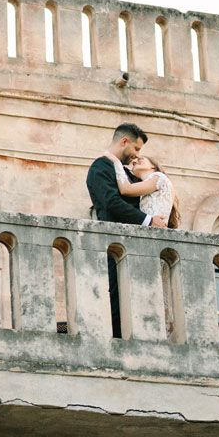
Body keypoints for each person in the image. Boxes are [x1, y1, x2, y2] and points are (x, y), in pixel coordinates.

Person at [86, 121, 159, 337]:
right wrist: (148, 220)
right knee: (117, 299)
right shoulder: (100, 168)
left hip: (135, 248)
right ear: (124, 141)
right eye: (136, 148)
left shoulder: (126, 172)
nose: (137, 155)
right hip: (115, 246)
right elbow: (111, 203)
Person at [125, 153, 179, 229]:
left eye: (140, 159)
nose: (134, 161)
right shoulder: (145, 189)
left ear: (153, 166)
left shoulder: (158, 177)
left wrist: (116, 164)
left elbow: (126, 189)